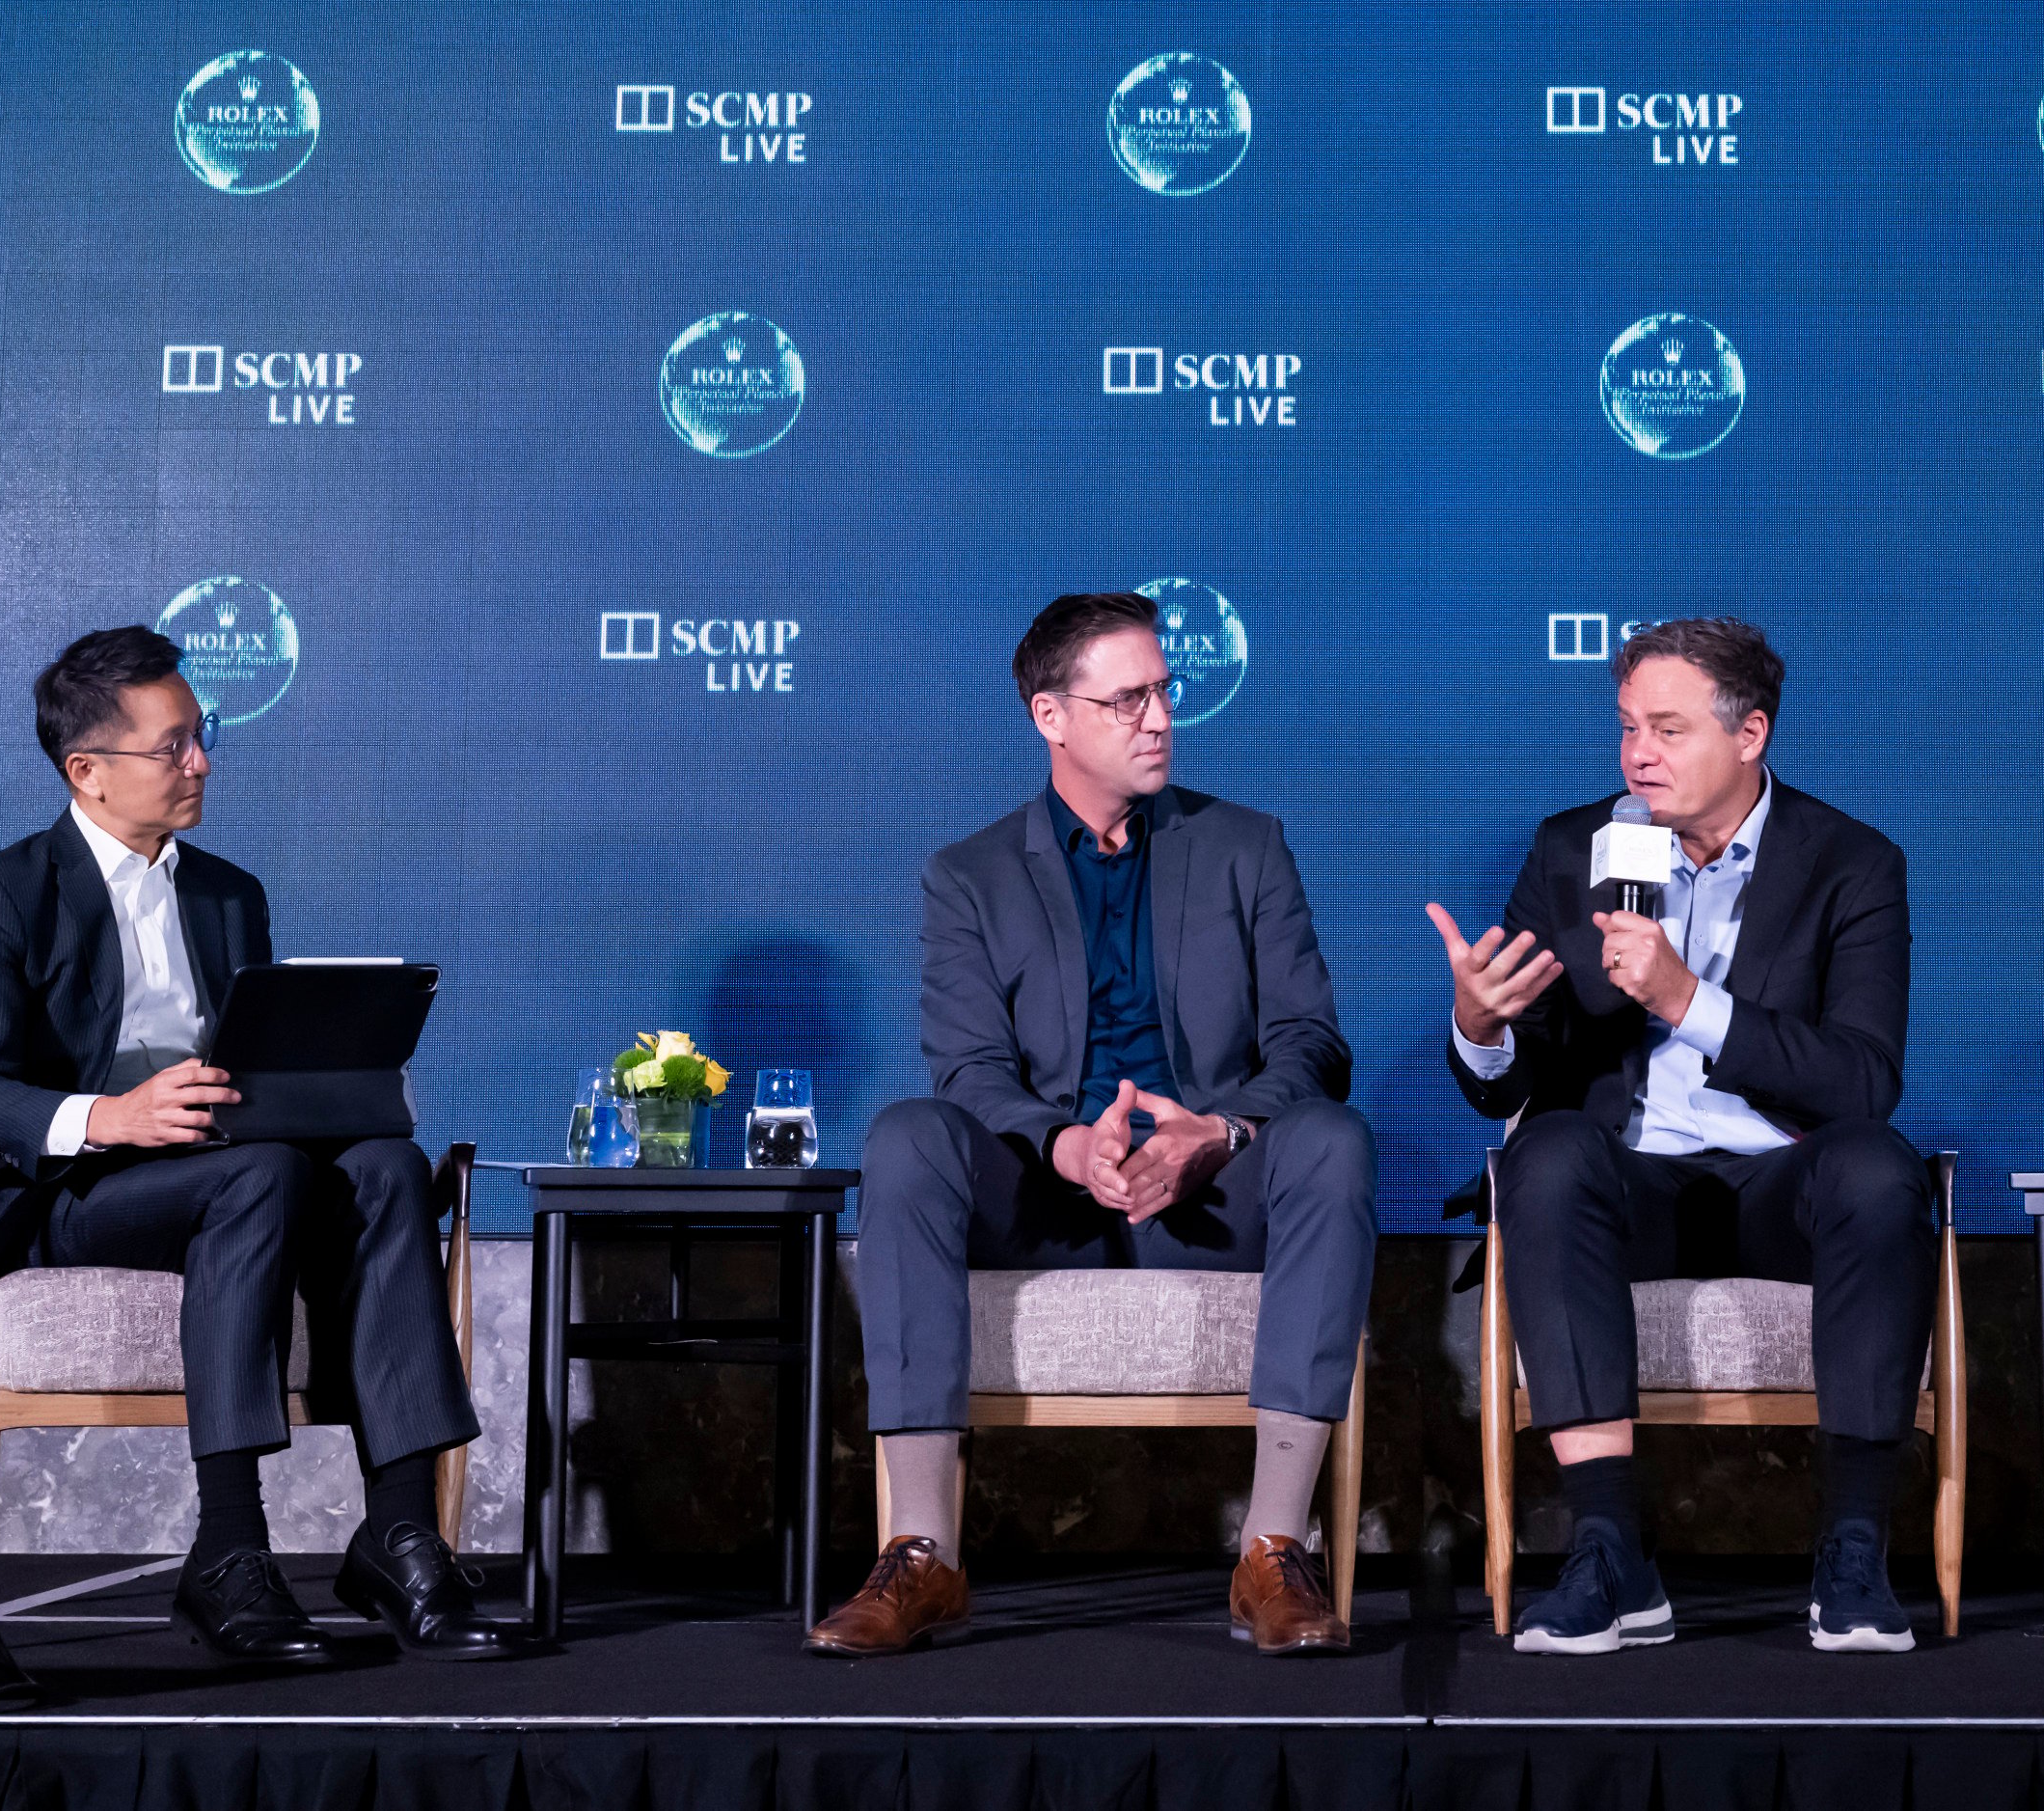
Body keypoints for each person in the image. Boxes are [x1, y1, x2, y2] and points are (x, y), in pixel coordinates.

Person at [0, 626, 528, 1663]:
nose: (201, 763)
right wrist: (112, 1116)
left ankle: (399, 1528)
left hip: (240, 1171)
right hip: (85, 1192)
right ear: (89, 771)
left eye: (204, 738)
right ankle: (230, 1548)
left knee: (381, 1168)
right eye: (174, 747)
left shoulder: (227, 893)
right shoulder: (1, 890)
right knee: (263, 1172)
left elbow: (249, 1066)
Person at [815, 592, 1377, 1658]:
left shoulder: (1244, 848)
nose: (1160, 718)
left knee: (1333, 1139)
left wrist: (1216, 1128)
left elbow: (1311, 1046)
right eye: (1127, 700)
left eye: (1166, 692)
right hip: (1047, 1196)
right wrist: (1069, 1145)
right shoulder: (969, 877)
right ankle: (921, 1553)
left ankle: (1272, 1552)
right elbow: (971, 1069)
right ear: (1050, 716)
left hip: (1212, 1192)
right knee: (905, 1135)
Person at [1433, 617, 1928, 1654]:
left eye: (1665, 728)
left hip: (1784, 1185)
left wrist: (1687, 999)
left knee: (1881, 1169)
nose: (1636, 755)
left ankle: (1852, 1555)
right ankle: (1610, 1554)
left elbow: (1862, 1081)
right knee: (1548, 1149)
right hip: (1634, 1188)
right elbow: (1514, 1079)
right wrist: (1481, 1027)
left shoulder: (1853, 863)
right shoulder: (1576, 851)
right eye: (1625, 729)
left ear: (1751, 734)